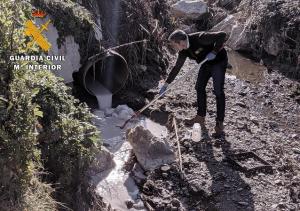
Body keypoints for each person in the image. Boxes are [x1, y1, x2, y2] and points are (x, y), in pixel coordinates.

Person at [159, 29, 228, 137]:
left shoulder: (201, 38)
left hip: (218, 62)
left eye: (174, 45)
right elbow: (177, 67)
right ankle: (200, 117)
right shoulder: (183, 51)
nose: (175, 48)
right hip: (205, 64)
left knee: (218, 91)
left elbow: (222, 35)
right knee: (199, 87)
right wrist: (166, 84)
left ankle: (219, 124)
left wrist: (214, 51)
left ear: (181, 42)